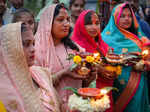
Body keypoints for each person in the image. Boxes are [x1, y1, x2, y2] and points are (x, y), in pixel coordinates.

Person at [35, 3, 89, 111]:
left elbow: (84, 83)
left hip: (76, 106)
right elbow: (37, 85)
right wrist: (64, 73)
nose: (66, 24)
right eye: (60, 20)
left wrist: (90, 72)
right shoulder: (36, 51)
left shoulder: (74, 48)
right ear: (48, 23)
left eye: (68, 19)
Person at [102, 3, 150, 112]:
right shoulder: (105, 38)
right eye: (122, 16)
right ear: (115, 17)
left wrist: (145, 64)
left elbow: (148, 59)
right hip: (116, 83)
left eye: (129, 16)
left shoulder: (139, 37)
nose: (127, 19)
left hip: (137, 82)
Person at [71, 10, 119, 112]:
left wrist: (114, 70)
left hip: (105, 92)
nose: (94, 27)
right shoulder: (76, 46)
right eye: (89, 24)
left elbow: (110, 62)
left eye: (97, 23)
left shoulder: (102, 44)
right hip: (88, 95)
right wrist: (98, 68)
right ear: (80, 26)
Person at [0, 22, 44, 112]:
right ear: (10, 48)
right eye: (26, 44)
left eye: (33, 44)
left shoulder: (37, 73)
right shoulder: (4, 91)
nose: (33, 49)